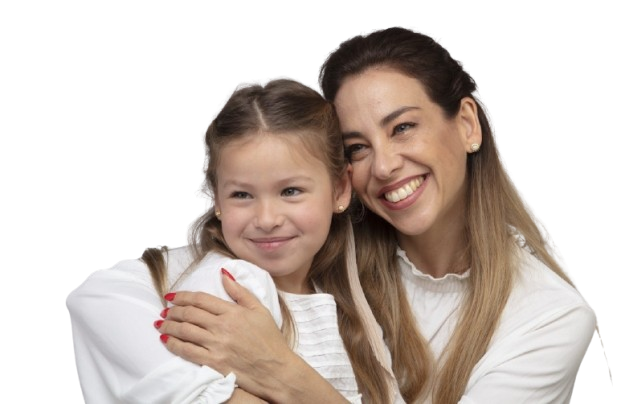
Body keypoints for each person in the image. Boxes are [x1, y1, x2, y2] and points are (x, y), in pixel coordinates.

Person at [154, 26, 611, 403]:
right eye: (357, 147)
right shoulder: (315, 245)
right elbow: (119, 291)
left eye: (403, 127)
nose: (385, 166)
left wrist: (281, 373)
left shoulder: (549, 315)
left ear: (467, 125)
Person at [66, 75, 401, 403]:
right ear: (218, 200)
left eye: (290, 191)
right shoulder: (232, 285)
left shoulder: (353, 303)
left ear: (340, 189)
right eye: (242, 194)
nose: (267, 219)